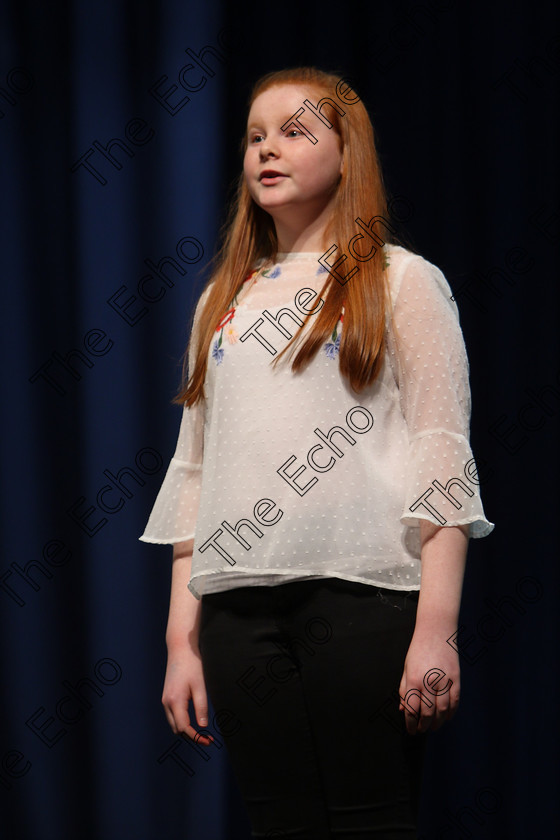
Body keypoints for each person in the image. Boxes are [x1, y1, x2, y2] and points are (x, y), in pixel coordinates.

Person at [139, 67, 494, 839]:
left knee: (371, 819)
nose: (268, 149)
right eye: (256, 136)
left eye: (295, 132)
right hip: (237, 611)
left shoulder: (402, 282)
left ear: (347, 152)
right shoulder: (224, 301)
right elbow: (195, 470)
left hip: (362, 599)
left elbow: (443, 456)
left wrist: (436, 627)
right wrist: (180, 639)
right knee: (279, 821)